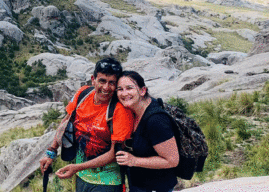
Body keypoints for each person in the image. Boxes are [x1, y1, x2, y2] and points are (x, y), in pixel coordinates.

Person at [39, 58, 134, 192]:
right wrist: (51, 152)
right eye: (102, 81)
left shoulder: (120, 110)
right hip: (81, 177)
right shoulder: (83, 94)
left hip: (108, 181)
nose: (106, 88)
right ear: (93, 79)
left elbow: (115, 153)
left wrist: (77, 167)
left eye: (112, 83)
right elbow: (66, 122)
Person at [115, 71, 179, 192]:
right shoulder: (133, 111)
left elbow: (172, 160)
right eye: (120, 89)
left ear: (142, 90)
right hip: (140, 185)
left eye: (129, 88)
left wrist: (133, 160)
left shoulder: (156, 120)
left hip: (157, 186)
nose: (124, 93)